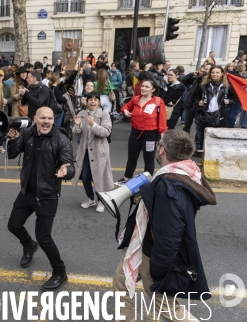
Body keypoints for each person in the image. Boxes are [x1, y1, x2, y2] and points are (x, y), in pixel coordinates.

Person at [113, 130, 215, 321]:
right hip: (142, 246)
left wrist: (159, 269)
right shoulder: (186, 173)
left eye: (159, 144)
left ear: (162, 150)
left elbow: (170, 233)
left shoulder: (169, 187)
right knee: (121, 284)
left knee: (168, 310)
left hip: (153, 256)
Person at [6, 107, 75, 291]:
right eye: (42, 118)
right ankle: (29, 245)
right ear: (35, 119)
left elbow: (70, 166)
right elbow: (12, 154)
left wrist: (65, 171)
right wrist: (13, 139)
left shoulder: (61, 139)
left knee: (44, 237)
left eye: (50, 118)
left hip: (47, 195)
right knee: (13, 225)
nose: (46, 121)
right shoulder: (28, 134)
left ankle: (60, 272)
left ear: (54, 120)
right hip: (27, 191)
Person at [119, 80, 168, 185]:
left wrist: (162, 135)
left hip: (150, 134)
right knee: (132, 157)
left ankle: (147, 180)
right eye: (142, 86)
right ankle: (127, 178)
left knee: (149, 158)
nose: (143, 88)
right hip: (135, 133)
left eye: (147, 87)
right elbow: (125, 106)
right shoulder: (136, 99)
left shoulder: (158, 101)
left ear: (153, 89)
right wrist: (125, 111)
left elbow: (162, 120)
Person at [70, 93, 113, 212]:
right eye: (90, 99)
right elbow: (75, 131)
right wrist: (78, 126)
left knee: (99, 178)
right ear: (87, 101)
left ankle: (101, 201)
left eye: (95, 100)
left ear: (99, 102)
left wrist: (94, 125)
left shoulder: (104, 114)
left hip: (99, 151)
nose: (93, 102)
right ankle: (90, 198)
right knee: (85, 176)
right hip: (84, 151)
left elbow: (106, 132)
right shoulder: (82, 114)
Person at [194, 66, 234, 153]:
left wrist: (229, 101)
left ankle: (214, 151)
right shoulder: (203, 85)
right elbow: (195, 97)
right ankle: (200, 149)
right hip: (204, 113)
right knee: (201, 134)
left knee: (217, 135)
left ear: (222, 74)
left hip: (220, 115)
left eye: (217, 72)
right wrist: (198, 102)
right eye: (213, 72)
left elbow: (234, 99)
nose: (215, 74)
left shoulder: (226, 86)